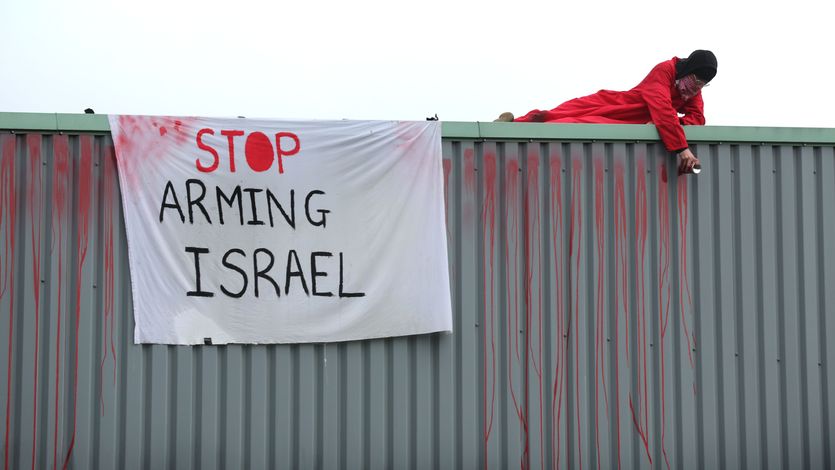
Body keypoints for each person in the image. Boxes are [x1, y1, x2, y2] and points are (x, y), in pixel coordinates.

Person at [495, 50, 717, 174]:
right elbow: (662, 107)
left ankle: (519, 124)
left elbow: (697, 118)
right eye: (696, 81)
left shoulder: (691, 88)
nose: (696, 89)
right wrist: (682, 149)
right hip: (617, 106)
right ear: (688, 70)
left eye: (702, 85)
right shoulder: (665, 70)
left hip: (632, 124)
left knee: (576, 124)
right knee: (561, 113)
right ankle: (516, 123)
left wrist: (673, 126)